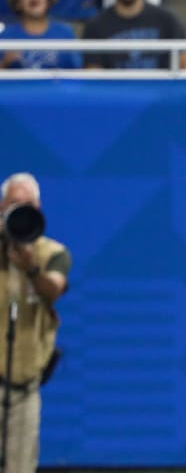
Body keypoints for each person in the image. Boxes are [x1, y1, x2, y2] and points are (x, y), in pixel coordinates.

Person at [0, 172, 70, 473]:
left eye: (28, 205)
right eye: (14, 204)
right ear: (1, 207)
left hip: (23, 390)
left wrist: (31, 269)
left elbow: (52, 289)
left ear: (38, 210)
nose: (21, 211)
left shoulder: (52, 253)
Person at [0, 0, 80, 70]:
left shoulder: (65, 32)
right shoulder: (6, 36)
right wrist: (5, 63)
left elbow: (78, 73)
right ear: (18, 3)